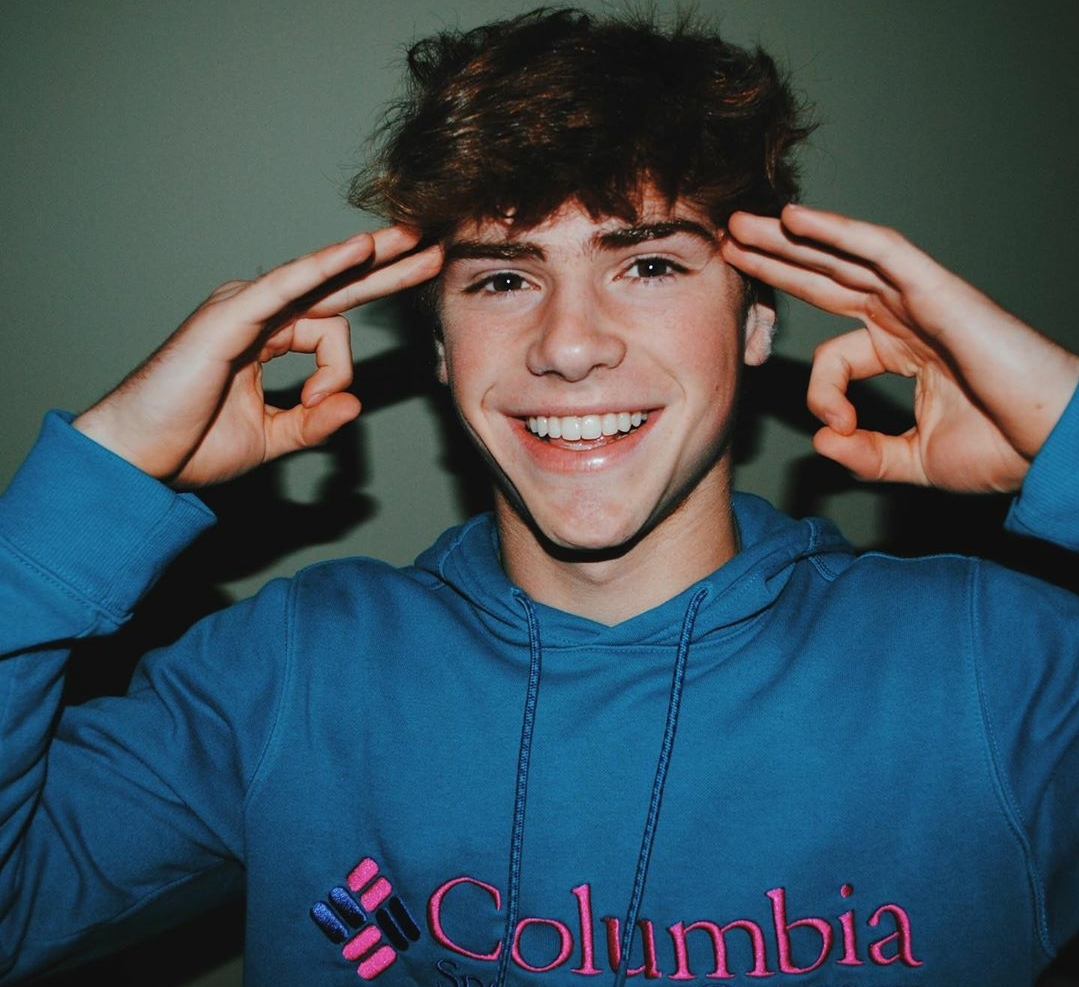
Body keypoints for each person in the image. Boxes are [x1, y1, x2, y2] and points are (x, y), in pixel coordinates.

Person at [2, 7, 1077, 986]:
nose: (567, 345)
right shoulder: (287, 670)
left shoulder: (996, 666)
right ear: (438, 344)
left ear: (757, 320)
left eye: (647, 266)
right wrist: (104, 471)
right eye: (503, 278)